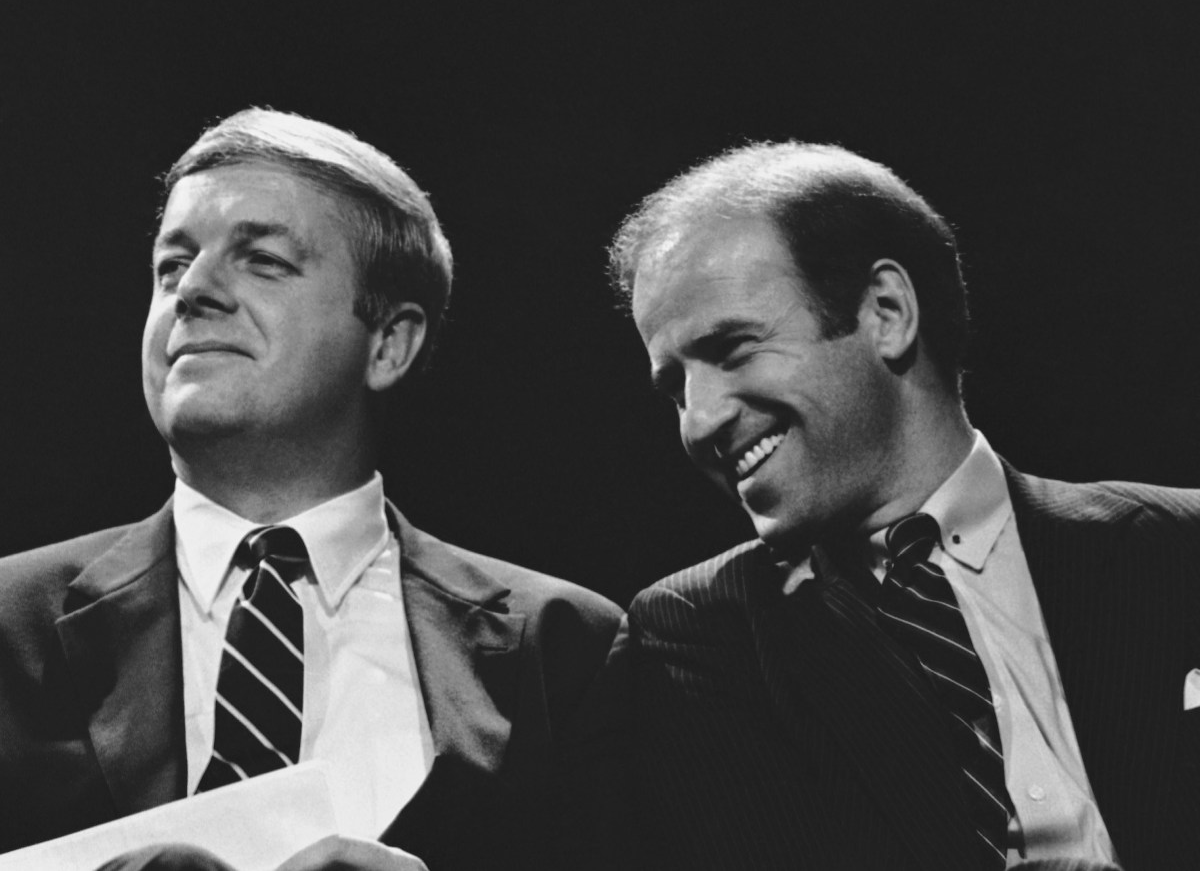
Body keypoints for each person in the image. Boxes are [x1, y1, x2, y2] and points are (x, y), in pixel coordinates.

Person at [0, 108, 626, 871]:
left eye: (263, 260)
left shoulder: (566, 647)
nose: (192, 290)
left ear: (389, 344)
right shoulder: (8, 624)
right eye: (171, 265)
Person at [607, 141, 1200, 871]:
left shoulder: (1183, 546)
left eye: (732, 350)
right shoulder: (699, 634)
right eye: (675, 388)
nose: (699, 422)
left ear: (887, 313)